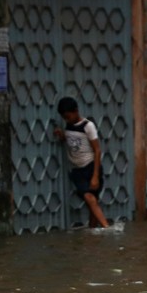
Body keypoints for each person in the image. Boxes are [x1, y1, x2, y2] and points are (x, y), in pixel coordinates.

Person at [54, 96, 111, 228]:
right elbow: (71, 141)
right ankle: (103, 229)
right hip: (77, 171)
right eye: (64, 118)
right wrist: (61, 135)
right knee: (91, 200)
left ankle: (102, 231)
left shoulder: (88, 126)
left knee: (92, 201)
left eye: (68, 116)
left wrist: (95, 176)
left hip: (91, 168)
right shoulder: (69, 125)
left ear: (76, 111)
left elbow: (97, 150)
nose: (66, 120)